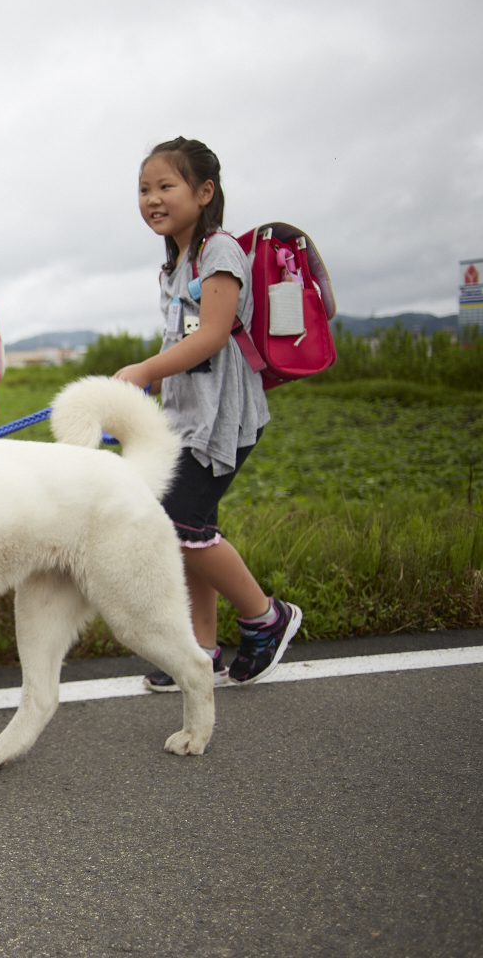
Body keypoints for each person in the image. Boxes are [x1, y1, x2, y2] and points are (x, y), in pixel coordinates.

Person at [113, 138, 302, 690]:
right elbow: (184, 338)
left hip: (223, 418)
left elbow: (215, 333)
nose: (152, 199)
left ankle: (267, 619)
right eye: (144, 189)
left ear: (204, 191)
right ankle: (201, 650)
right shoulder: (175, 262)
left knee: (180, 525)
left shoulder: (218, 250)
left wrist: (146, 369)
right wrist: (149, 389)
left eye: (165, 186)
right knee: (187, 530)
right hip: (186, 420)